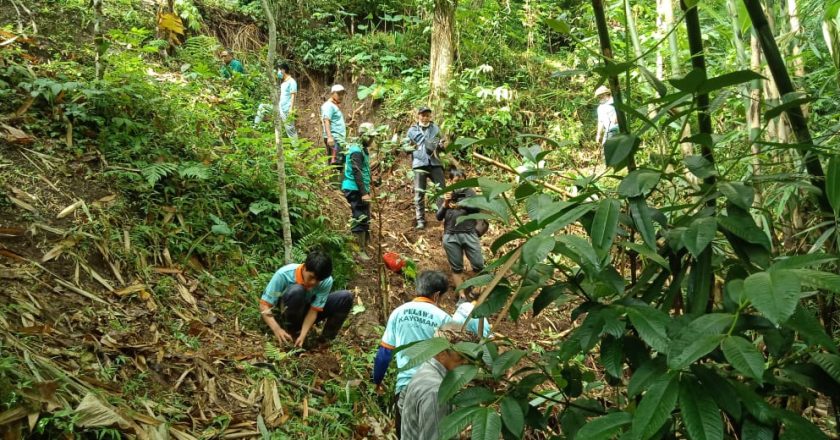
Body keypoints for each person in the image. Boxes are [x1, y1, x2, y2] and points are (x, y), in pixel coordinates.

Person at [372, 271, 451, 433]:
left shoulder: (399, 312)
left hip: (405, 388)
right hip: (434, 389)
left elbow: (384, 354)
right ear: (436, 296)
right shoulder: (444, 319)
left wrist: (377, 381)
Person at [259, 251, 354, 348]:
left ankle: (325, 341)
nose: (313, 282)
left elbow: (314, 310)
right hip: (287, 312)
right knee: (297, 290)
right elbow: (264, 305)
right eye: (311, 277)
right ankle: (292, 333)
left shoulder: (326, 281)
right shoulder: (283, 274)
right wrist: (276, 329)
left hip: (307, 311)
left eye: (318, 280)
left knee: (345, 297)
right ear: (304, 267)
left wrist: (303, 335)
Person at [399, 324, 478, 440]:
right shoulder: (436, 391)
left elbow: (401, 402)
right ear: (441, 353)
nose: (466, 362)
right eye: (461, 356)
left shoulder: (425, 369)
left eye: (469, 356)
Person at [436, 167, 484, 301]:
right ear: (450, 181)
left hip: (469, 233)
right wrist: (445, 204)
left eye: (463, 181)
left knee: (478, 264)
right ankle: (462, 296)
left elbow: (476, 208)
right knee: (457, 268)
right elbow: (439, 217)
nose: (460, 185)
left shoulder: (470, 193)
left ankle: (477, 289)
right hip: (451, 235)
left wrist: (461, 204)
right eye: (457, 181)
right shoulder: (445, 195)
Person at [406, 106, 445, 230]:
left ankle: (443, 218)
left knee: (441, 191)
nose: (425, 118)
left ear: (430, 117)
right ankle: (420, 221)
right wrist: (408, 147)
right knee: (419, 193)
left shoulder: (436, 128)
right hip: (419, 163)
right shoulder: (412, 130)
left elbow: (440, 143)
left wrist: (441, 145)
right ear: (418, 115)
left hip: (435, 163)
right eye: (423, 115)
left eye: (427, 115)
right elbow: (406, 145)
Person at [342, 122, 376, 261]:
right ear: (363, 136)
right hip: (354, 189)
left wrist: (372, 181)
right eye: (370, 137)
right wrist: (364, 193)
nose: (372, 140)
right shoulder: (356, 150)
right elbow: (356, 172)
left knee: (364, 217)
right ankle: (358, 250)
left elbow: (364, 170)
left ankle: (364, 246)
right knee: (359, 217)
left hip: (360, 188)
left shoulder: (362, 149)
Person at [254, 62, 297, 139]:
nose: (278, 72)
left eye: (278, 70)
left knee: (290, 130)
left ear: (283, 70)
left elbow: (293, 96)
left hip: (286, 110)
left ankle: (297, 148)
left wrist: (291, 109)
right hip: (279, 108)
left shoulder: (292, 82)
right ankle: (255, 128)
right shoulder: (283, 83)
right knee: (262, 107)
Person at [322, 84, 347, 166]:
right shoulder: (328, 105)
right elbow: (326, 120)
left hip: (338, 139)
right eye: (338, 94)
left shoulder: (333, 106)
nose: (341, 96)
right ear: (332, 93)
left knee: (339, 163)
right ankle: (334, 179)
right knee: (336, 164)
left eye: (342, 94)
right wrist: (329, 137)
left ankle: (337, 179)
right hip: (334, 139)